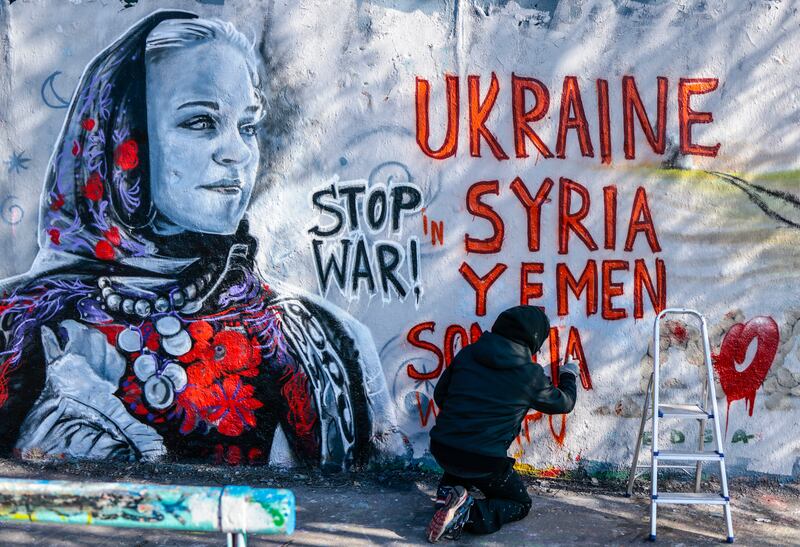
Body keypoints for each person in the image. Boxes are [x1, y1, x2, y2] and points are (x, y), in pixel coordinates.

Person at [0, 10, 407, 470]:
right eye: (200, 122)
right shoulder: (22, 325)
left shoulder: (328, 337)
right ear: (123, 141)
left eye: (248, 126)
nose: (235, 152)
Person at [425, 305, 579, 542]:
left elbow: (440, 396)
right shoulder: (529, 374)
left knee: (460, 469)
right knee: (519, 503)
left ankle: (448, 498)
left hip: (443, 449)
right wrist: (569, 374)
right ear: (535, 338)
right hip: (483, 460)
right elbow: (564, 403)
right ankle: (467, 514)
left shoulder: (468, 353)